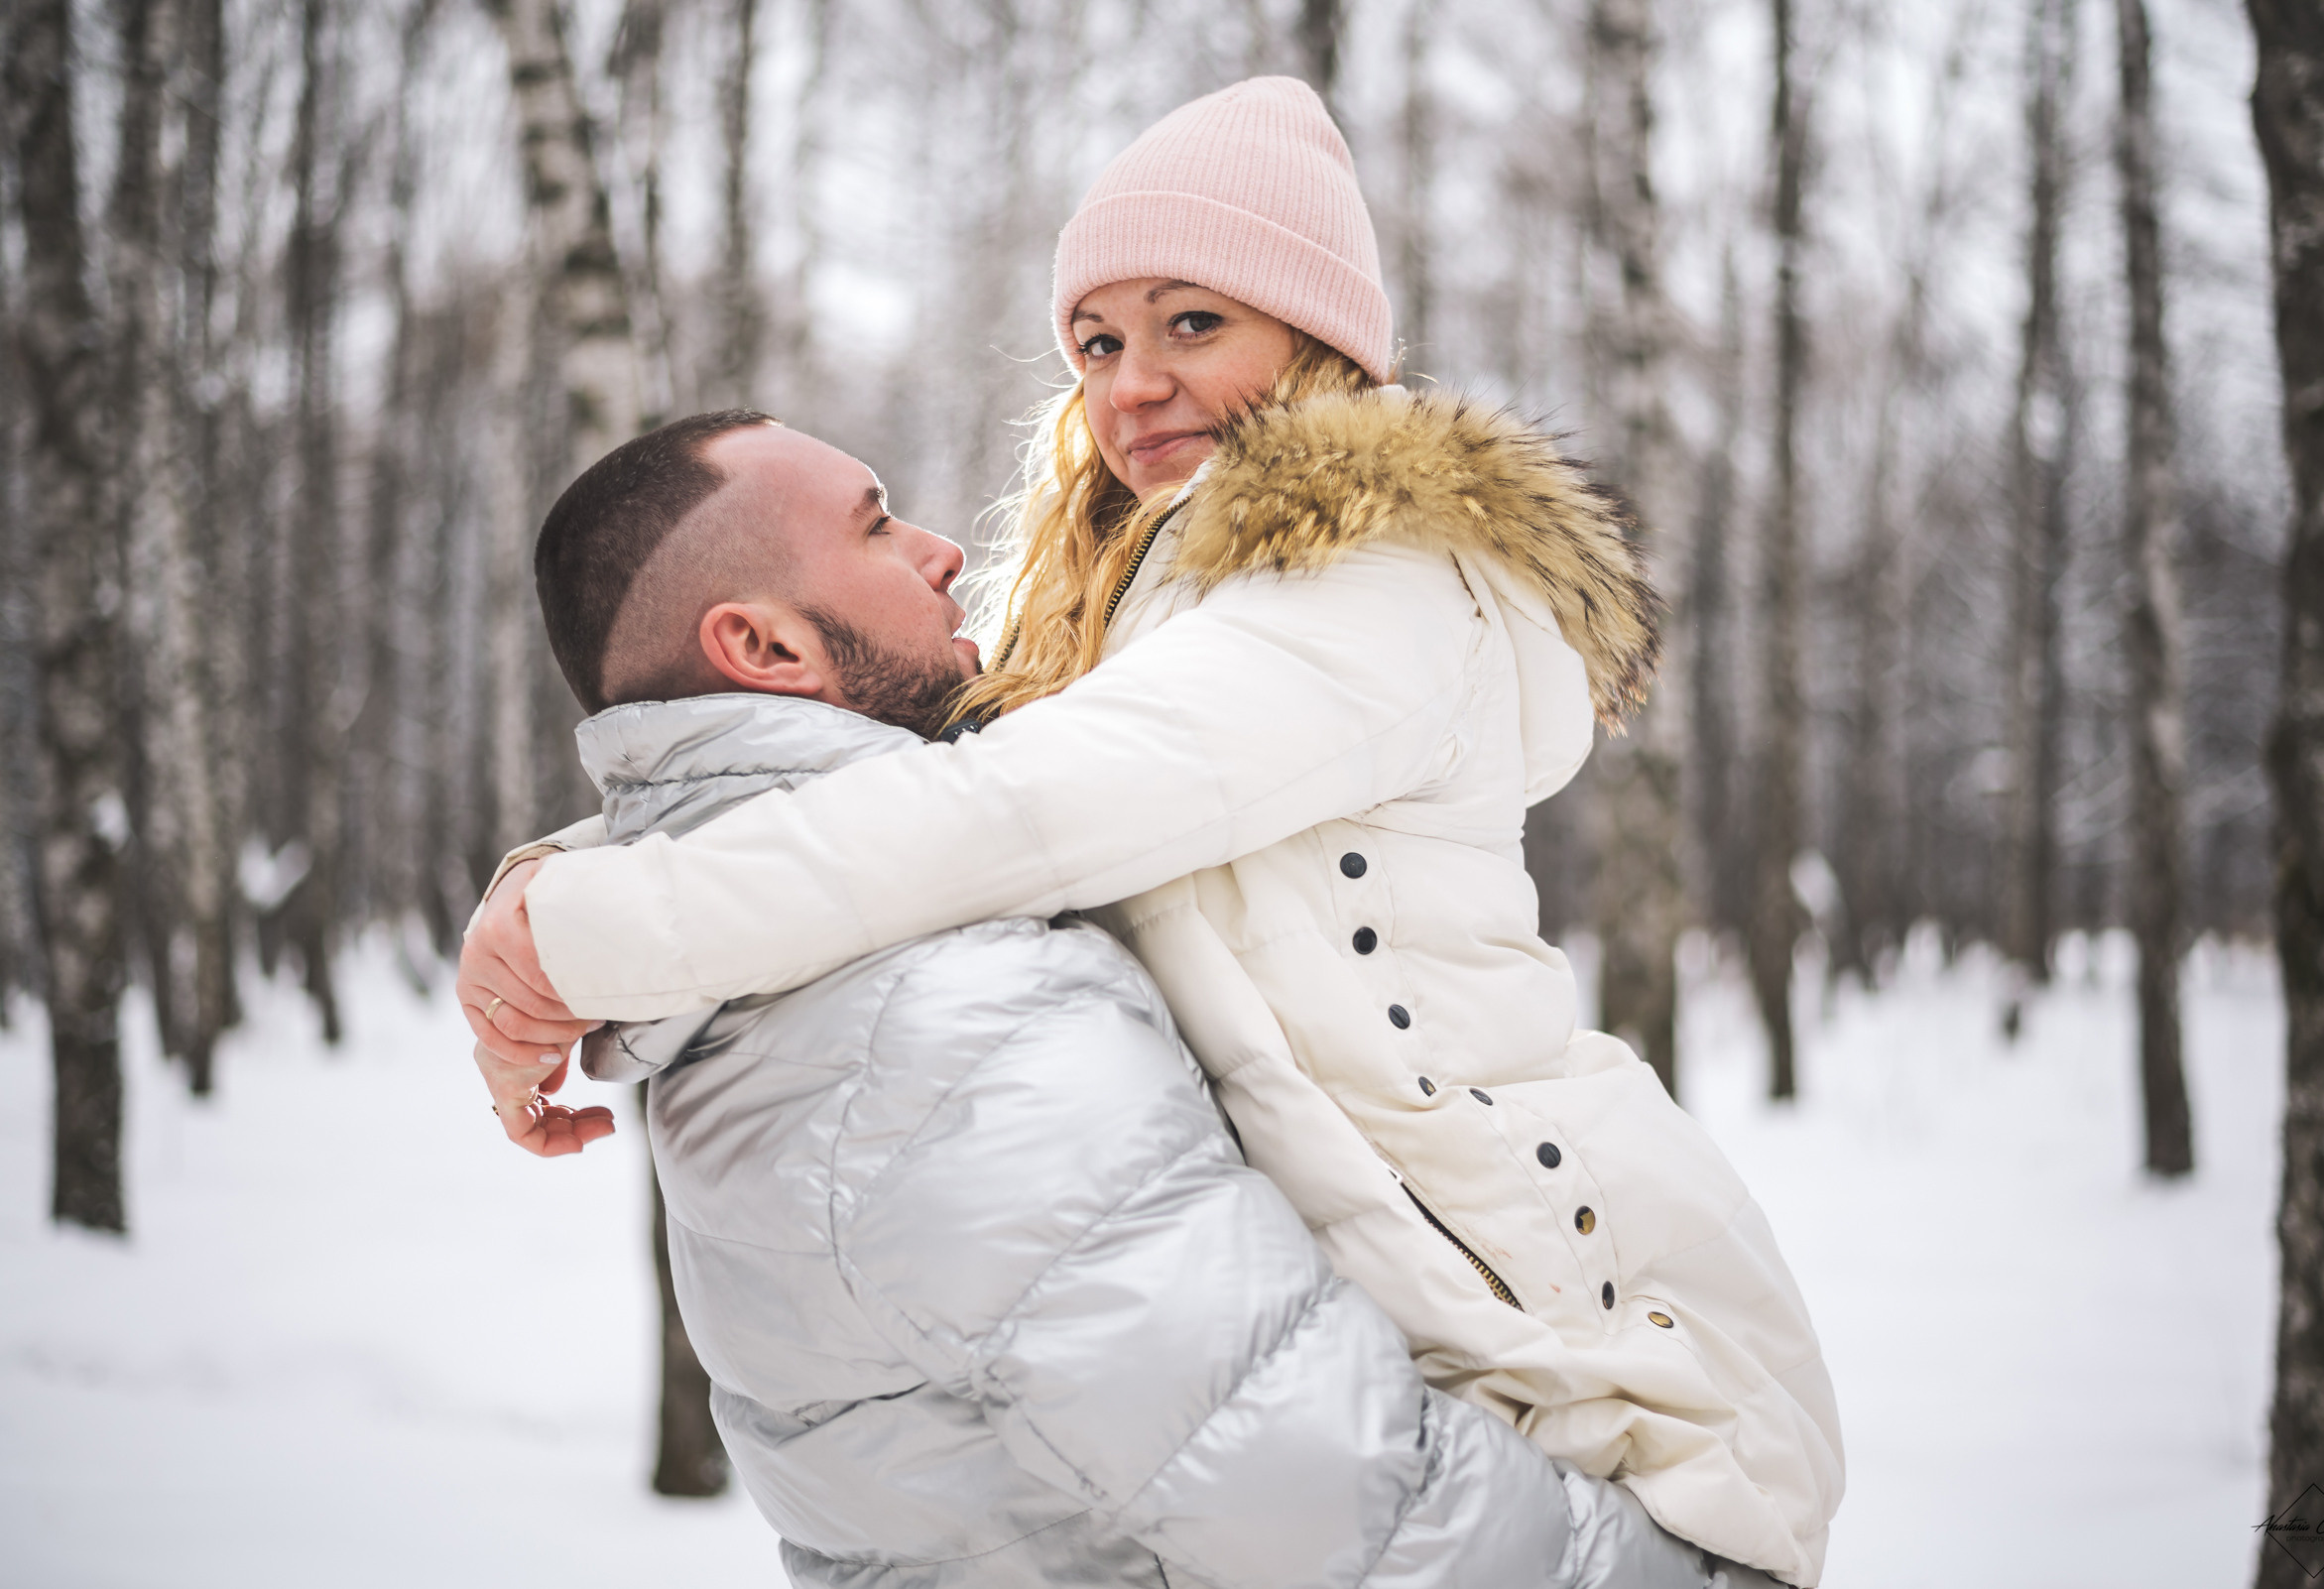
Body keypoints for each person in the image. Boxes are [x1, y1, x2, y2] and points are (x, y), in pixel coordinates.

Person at [464, 77, 1843, 1585]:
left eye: (1196, 323)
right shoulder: (1138, 607)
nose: (1132, 385)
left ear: (1318, 337)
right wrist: (562, 880)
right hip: (1435, 1355)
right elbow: (857, 753)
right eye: (1098, 341)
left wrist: (583, 936)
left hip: (1596, 1363)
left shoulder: (1374, 581)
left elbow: (1004, 809)